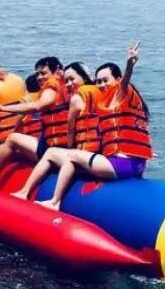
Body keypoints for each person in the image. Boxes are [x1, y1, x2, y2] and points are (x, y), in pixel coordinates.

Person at [12, 43, 149, 210]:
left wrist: (129, 64)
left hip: (119, 165)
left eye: (105, 80)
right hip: (137, 166)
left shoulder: (123, 93)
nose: (101, 85)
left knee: (64, 154)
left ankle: (53, 201)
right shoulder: (117, 104)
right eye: (98, 81)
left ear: (118, 80)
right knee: (71, 154)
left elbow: (126, 80)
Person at [0, 56, 68, 186]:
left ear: (56, 71)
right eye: (38, 74)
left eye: (43, 73)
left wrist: (1, 107)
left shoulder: (51, 89)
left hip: (51, 149)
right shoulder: (67, 87)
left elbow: (37, 106)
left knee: (12, 138)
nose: (39, 77)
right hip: (62, 146)